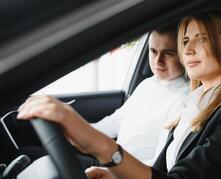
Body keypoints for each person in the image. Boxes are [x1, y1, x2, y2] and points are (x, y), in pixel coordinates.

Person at [17, 9, 221, 179]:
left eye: (201, 39)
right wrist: (117, 176)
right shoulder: (194, 103)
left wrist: (102, 147)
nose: (188, 49)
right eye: (186, 40)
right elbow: (167, 172)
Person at [16, 23, 190, 169]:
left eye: (168, 53)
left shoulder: (184, 99)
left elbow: (161, 162)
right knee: (30, 154)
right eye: (153, 51)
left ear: (183, 54)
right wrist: (71, 129)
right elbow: (114, 123)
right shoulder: (147, 85)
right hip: (111, 162)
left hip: (130, 175)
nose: (158, 60)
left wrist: (116, 174)